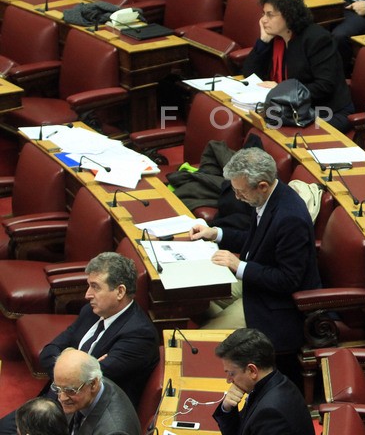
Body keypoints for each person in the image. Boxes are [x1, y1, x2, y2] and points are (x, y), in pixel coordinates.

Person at [190, 147, 321, 382]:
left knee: (201, 342)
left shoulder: (290, 217)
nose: (237, 197)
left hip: (275, 305)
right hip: (255, 283)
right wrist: (216, 233)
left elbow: (288, 280)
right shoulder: (267, 198)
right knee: (191, 293)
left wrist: (239, 265)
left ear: (261, 185)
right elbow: (255, 241)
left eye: (240, 192)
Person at [0, 252, 159, 435]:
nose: (87, 295)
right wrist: (70, 367)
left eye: (95, 287)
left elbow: (87, 382)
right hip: (57, 398)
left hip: (80, 413)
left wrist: (68, 361)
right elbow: (49, 351)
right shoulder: (91, 312)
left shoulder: (139, 334)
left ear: (120, 291)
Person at [242, 0, 353, 133]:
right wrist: (263, 41)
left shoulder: (317, 39)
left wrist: (280, 90)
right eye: (263, 14)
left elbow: (324, 86)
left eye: (270, 15)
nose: (263, 20)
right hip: (289, 109)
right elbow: (250, 74)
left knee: (274, 133)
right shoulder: (276, 37)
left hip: (327, 111)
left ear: (288, 16)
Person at [212, 328, 313, 435]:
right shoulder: (276, 382)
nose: (228, 380)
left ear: (252, 370)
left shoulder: (270, 414)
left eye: (232, 373)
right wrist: (227, 409)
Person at [51, 349, 140, 435]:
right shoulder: (84, 381)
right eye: (57, 388)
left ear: (93, 384)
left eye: (70, 391)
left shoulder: (114, 431)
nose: (62, 398)